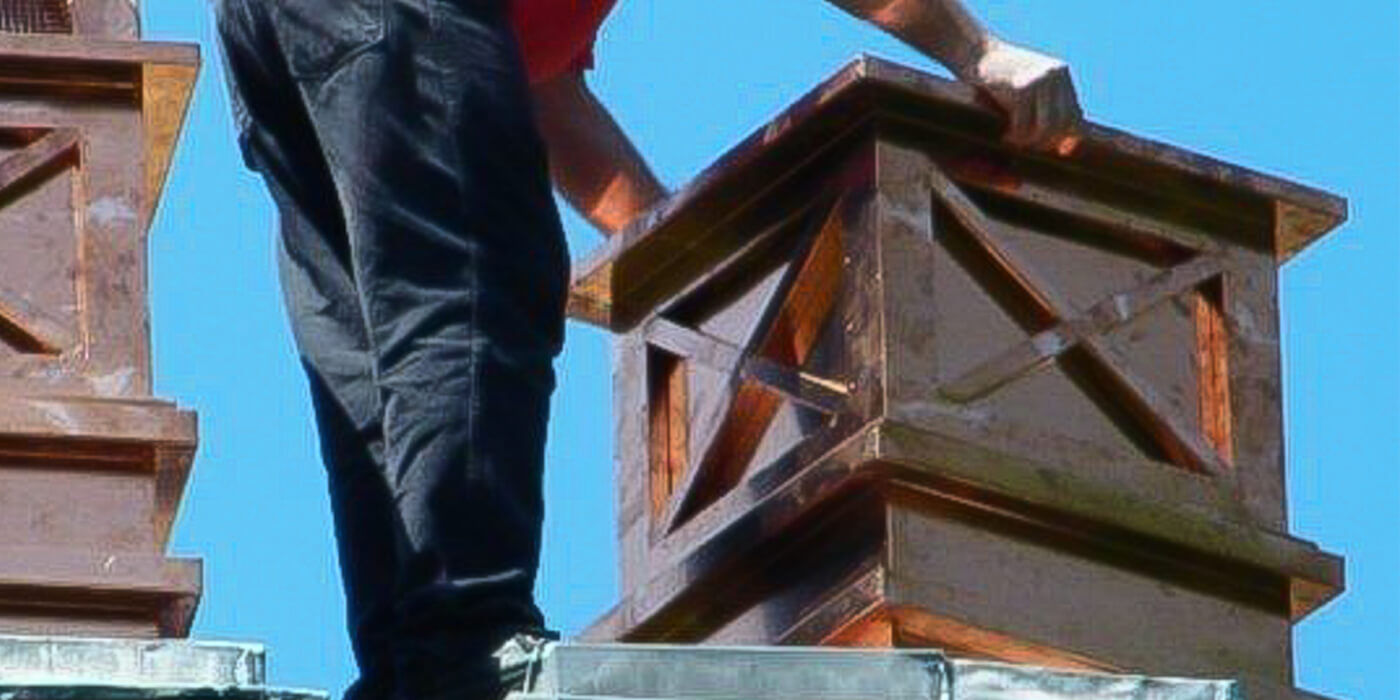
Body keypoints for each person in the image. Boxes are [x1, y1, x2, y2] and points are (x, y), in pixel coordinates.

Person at [212, 2, 1080, 700]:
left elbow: (544, 92)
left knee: (374, 348)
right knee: (470, 293)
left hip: (278, 29)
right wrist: (978, 50)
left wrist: (686, 264)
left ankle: (410, 666)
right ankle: (465, 643)